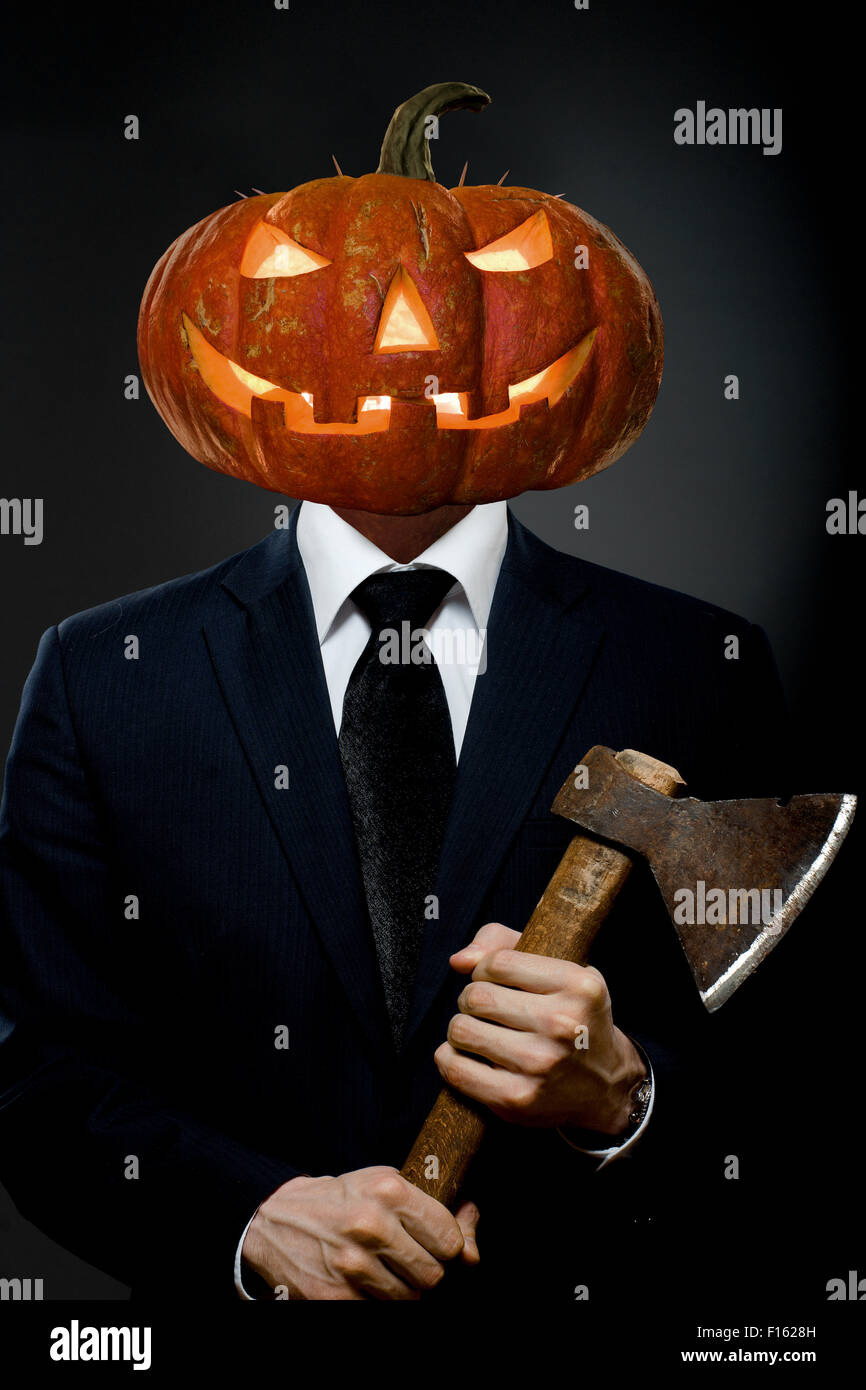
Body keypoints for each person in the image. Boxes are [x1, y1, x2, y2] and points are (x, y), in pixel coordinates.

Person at [0, 493, 788, 1302]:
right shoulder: (100, 672)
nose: (404, 359)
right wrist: (250, 1218)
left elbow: (793, 1078)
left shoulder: (701, 664)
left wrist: (625, 1092)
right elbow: (38, 1082)